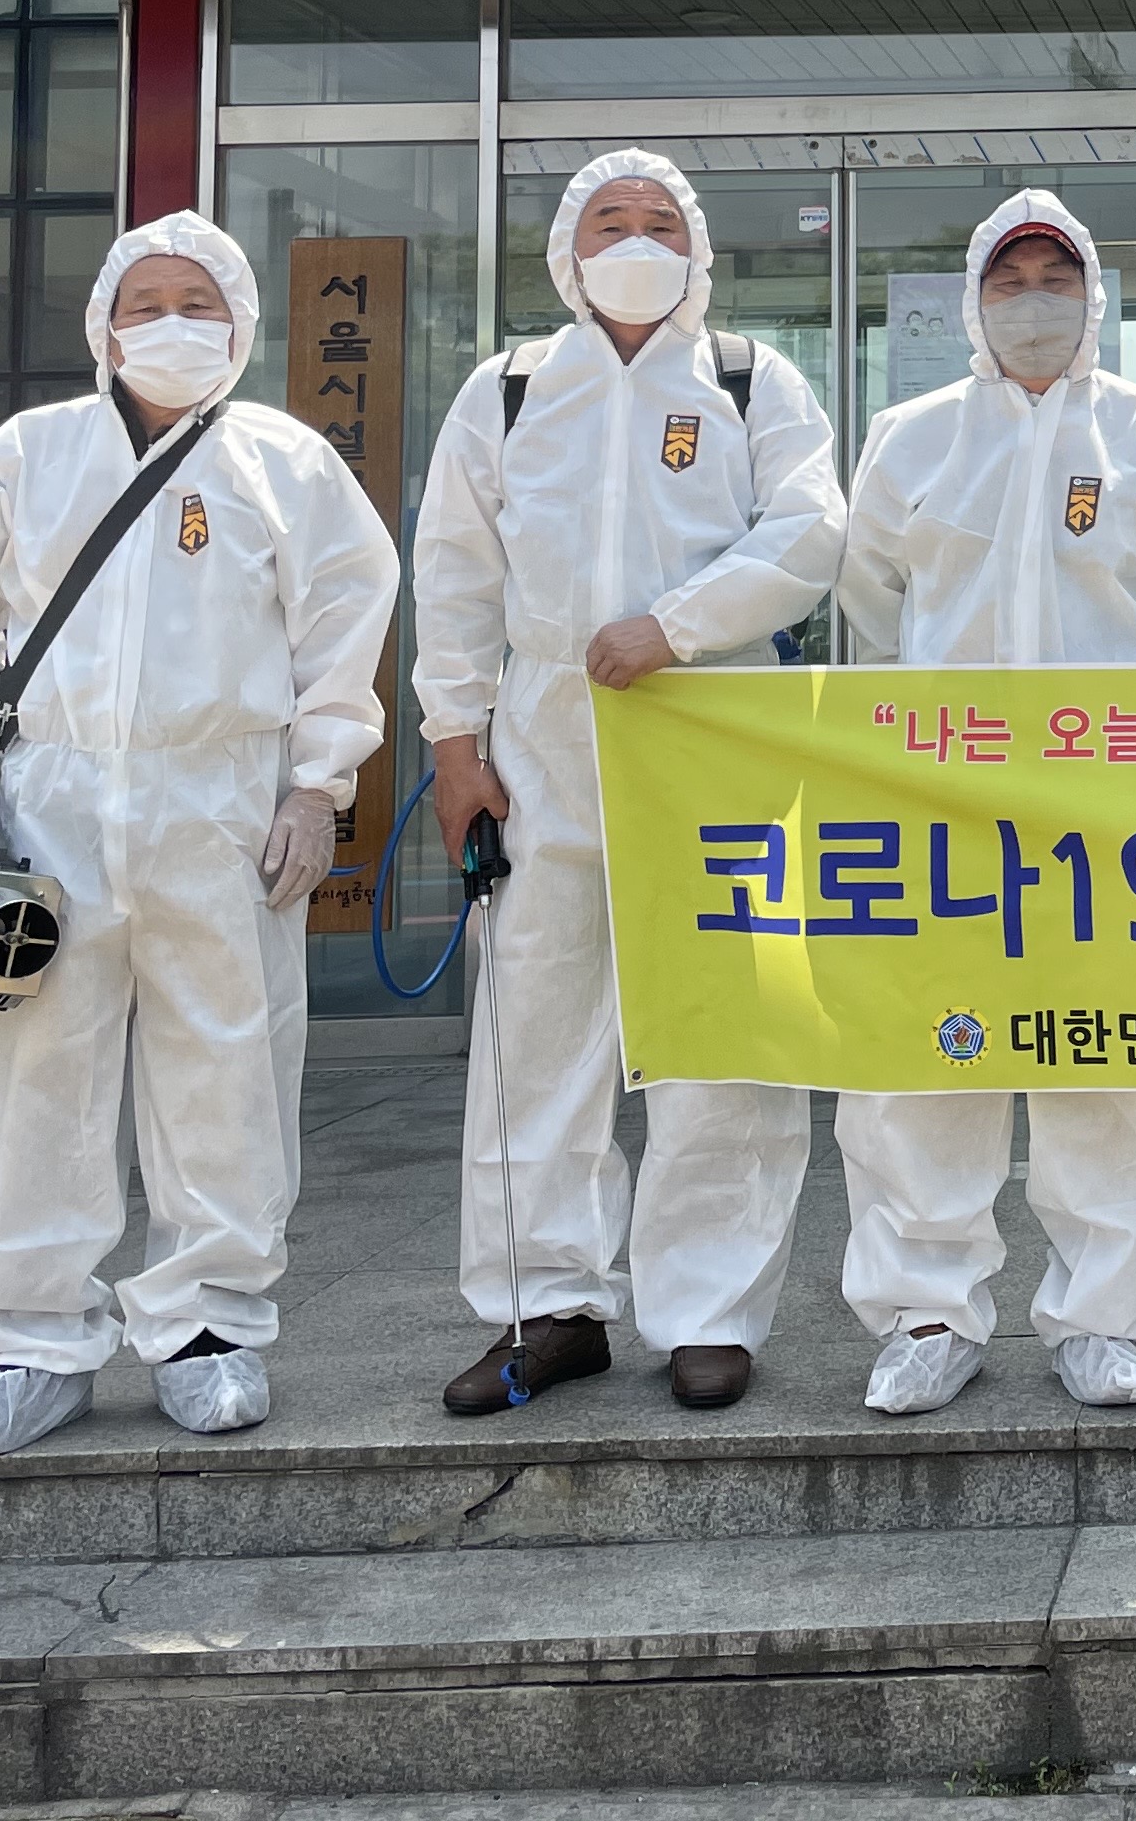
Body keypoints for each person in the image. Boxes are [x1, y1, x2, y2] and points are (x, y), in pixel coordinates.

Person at [0, 213, 399, 1456]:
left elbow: (345, 625)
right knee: (39, 1068)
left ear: (240, 324)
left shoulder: (284, 461)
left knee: (226, 1062)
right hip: (51, 800)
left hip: (223, 796)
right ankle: (29, 1339)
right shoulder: (30, 452)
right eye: (145, 302)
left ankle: (208, 1325)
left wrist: (316, 788)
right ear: (104, 325)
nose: (171, 323)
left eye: (197, 302)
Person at [414, 151, 848, 1415]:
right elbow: (455, 570)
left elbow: (811, 531)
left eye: (663, 222)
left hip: (713, 726)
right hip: (544, 733)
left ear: (698, 251)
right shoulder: (507, 389)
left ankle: (710, 1312)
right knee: (538, 1029)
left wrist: (679, 624)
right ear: (568, 250)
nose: (638, 241)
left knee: (721, 1027)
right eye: (611, 222)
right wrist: (454, 743)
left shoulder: (749, 380)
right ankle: (546, 1307)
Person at [829, 190, 1136, 1415]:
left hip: (1106, 803)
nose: (1032, 301)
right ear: (972, 302)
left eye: (1055, 277)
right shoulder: (912, 437)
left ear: (1093, 294)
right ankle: (927, 1314)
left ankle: (1106, 1316)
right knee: (931, 1053)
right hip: (944, 798)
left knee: (1103, 1054)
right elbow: (872, 595)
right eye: (1007, 281)